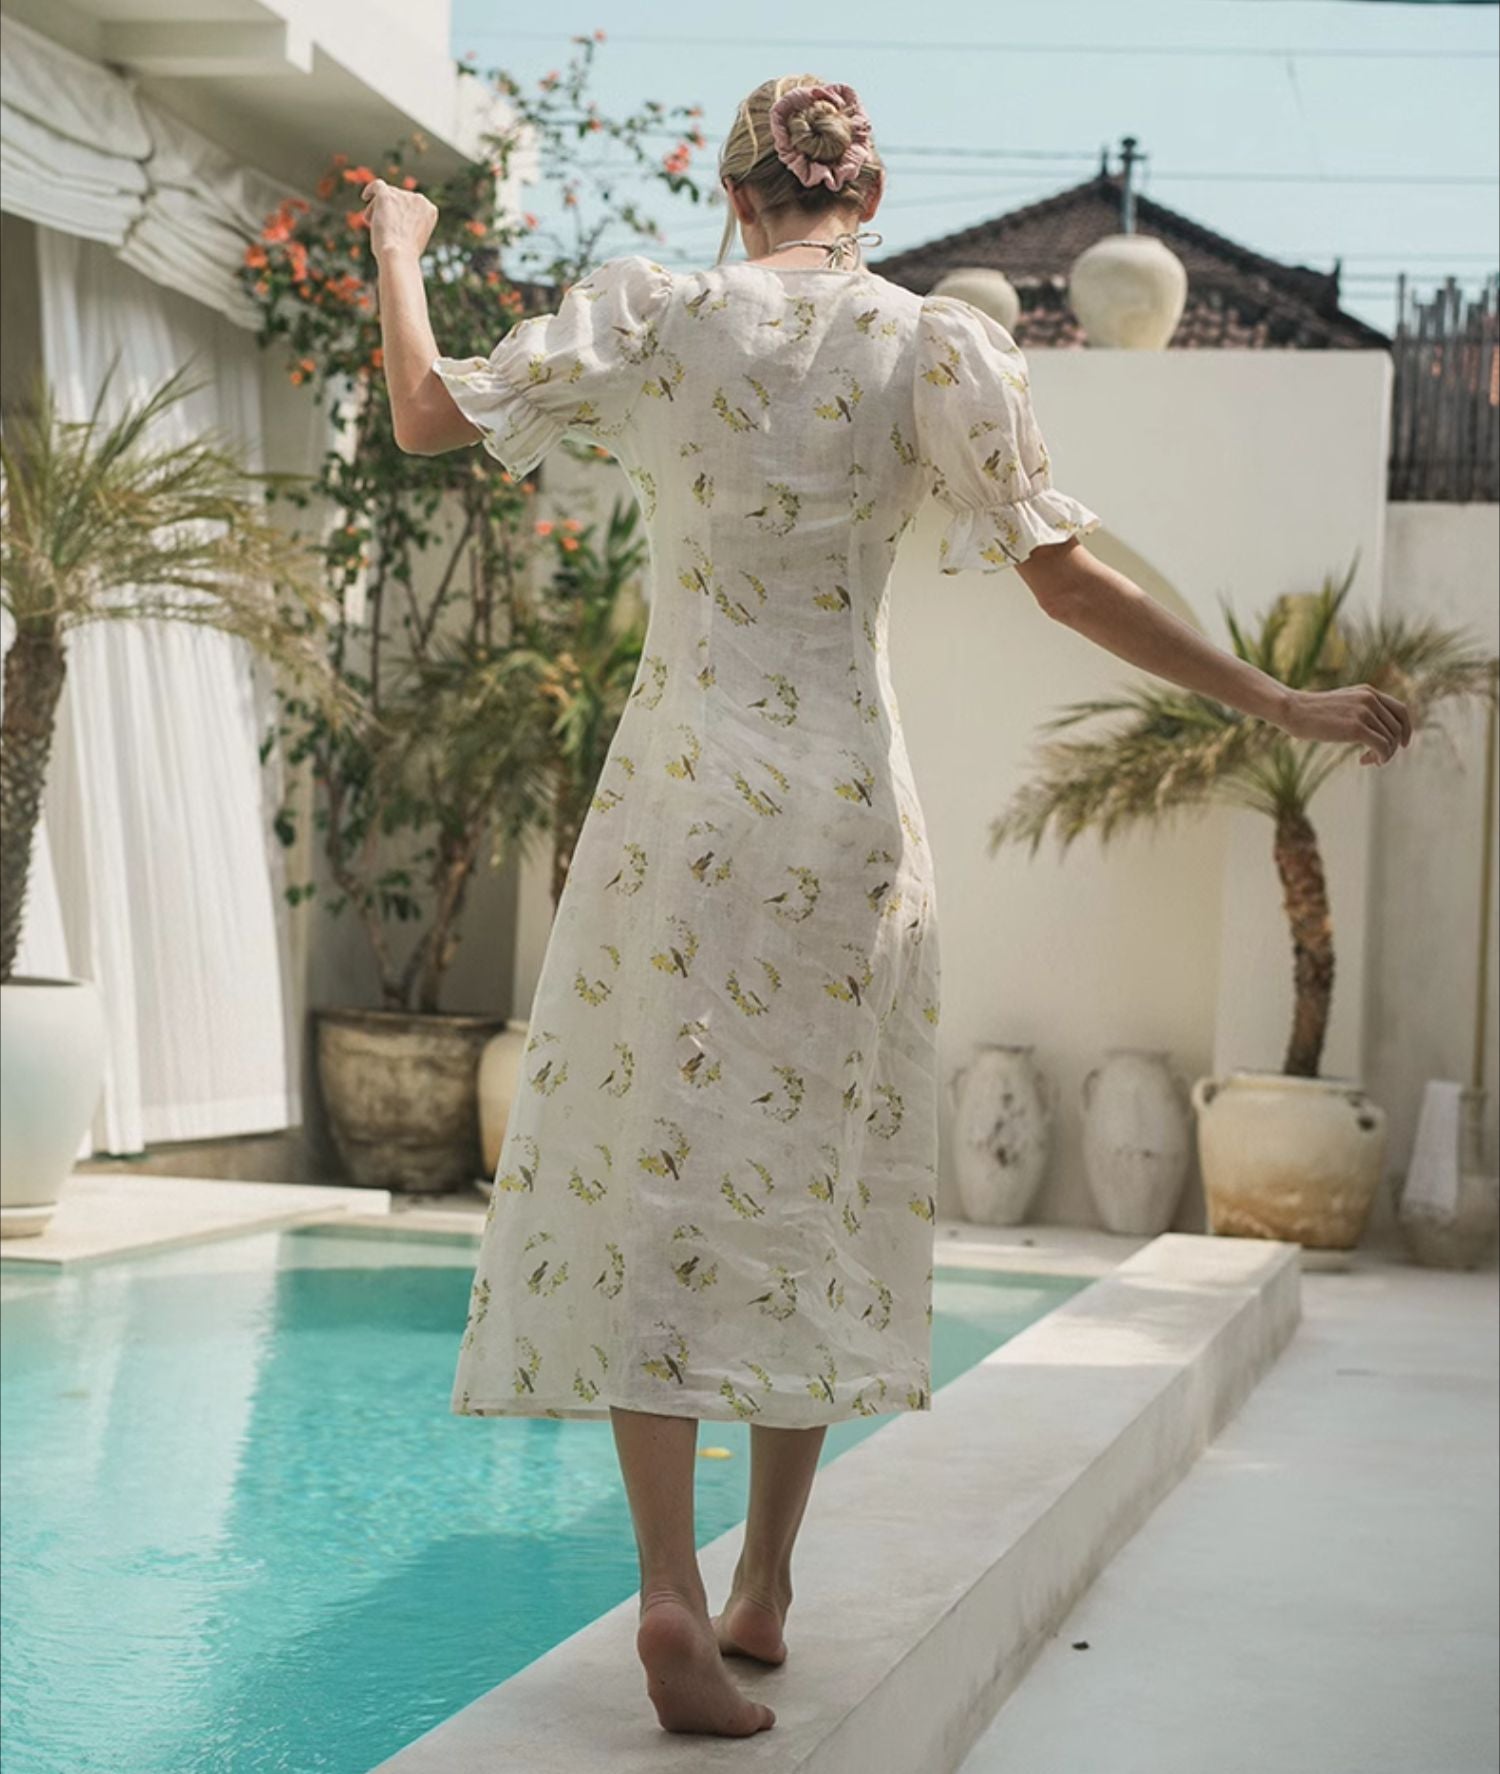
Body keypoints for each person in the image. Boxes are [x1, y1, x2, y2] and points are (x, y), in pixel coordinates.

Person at [363, 74, 1412, 1740]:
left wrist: (402, 247)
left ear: (734, 194)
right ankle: (770, 1579)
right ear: (865, 198)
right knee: (817, 1162)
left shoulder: (664, 313)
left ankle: (665, 1588)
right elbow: (1067, 574)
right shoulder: (933, 345)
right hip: (842, 807)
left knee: (659, 1162)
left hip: (672, 800)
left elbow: (424, 414)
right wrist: (1278, 706)